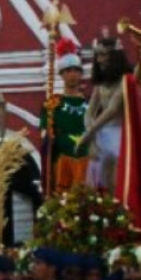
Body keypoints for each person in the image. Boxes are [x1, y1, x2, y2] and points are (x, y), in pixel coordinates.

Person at [40, 38, 90, 193]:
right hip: (63, 163)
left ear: (81, 73)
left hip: (87, 161)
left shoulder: (90, 103)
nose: (73, 74)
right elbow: (45, 134)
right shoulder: (52, 103)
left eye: (76, 70)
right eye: (68, 71)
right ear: (61, 74)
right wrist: (49, 137)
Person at [84, 36, 129, 191]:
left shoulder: (124, 81)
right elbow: (89, 112)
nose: (99, 60)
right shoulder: (100, 84)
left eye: (103, 55)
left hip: (118, 135)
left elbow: (111, 110)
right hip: (100, 135)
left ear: (114, 57)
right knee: (96, 184)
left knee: (115, 182)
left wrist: (89, 132)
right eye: (97, 55)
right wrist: (91, 136)